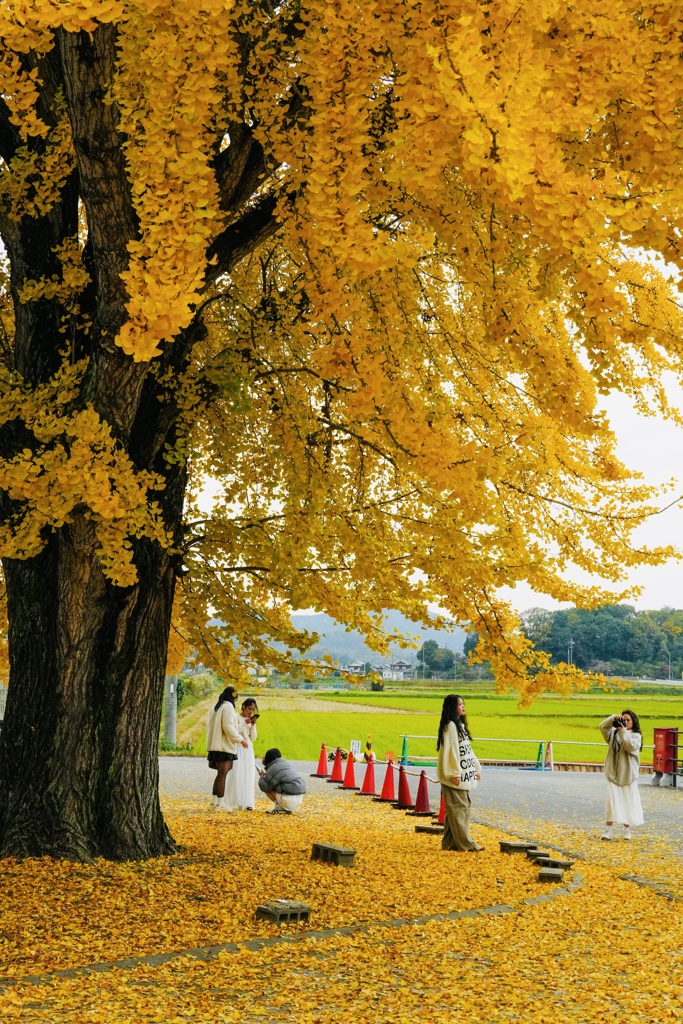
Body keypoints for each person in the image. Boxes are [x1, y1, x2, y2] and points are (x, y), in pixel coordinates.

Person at [436, 693, 483, 851]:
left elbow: (467, 751)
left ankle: (450, 842)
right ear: (452, 707)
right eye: (460, 704)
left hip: (461, 773)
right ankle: (466, 843)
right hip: (454, 775)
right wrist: (454, 773)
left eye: (463, 704)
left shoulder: (459, 726)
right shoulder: (450, 726)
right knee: (460, 808)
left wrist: (476, 768)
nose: (463, 707)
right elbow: (451, 751)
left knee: (456, 809)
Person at [600, 710, 644, 840]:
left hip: (628, 775)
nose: (624, 722)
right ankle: (608, 830)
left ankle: (626, 830)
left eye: (628, 720)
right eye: (622, 719)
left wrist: (622, 731)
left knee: (628, 801)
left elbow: (630, 747)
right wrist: (613, 717)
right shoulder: (613, 734)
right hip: (613, 774)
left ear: (633, 722)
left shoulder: (636, 736)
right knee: (611, 802)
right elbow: (602, 726)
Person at [205, 685, 249, 811]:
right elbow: (228, 727)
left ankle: (214, 803)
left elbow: (212, 726)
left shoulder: (216, 706)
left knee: (220, 775)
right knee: (222, 775)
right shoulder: (228, 706)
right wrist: (240, 740)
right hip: (224, 747)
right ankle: (220, 804)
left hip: (215, 746)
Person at [224, 698, 259, 810]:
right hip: (238, 747)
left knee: (248, 774)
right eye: (249, 709)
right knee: (236, 774)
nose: (250, 712)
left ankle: (246, 802)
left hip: (248, 749)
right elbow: (234, 731)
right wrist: (244, 723)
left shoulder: (249, 719)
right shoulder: (235, 716)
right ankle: (234, 801)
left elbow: (252, 738)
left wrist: (253, 725)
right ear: (243, 706)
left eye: (252, 710)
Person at [257, 748, 306, 814]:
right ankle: (284, 809)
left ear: (267, 759)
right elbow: (275, 775)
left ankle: (279, 808)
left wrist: (262, 776)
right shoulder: (285, 763)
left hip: (289, 801)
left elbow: (264, 786)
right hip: (299, 799)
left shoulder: (273, 768)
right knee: (274, 783)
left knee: (267, 786)